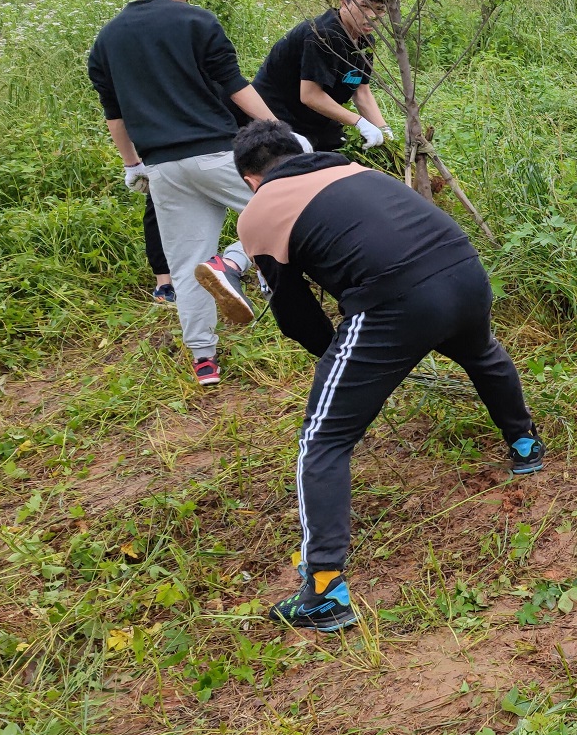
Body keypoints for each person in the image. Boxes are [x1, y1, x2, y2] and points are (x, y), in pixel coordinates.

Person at [231, 119, 545, 632]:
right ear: (301, 150)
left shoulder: (259, 211)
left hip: (394, 300)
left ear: (250, 179)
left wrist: (333, 355)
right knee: (481, 352)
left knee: (323, 439)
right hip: (463, 268)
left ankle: (324, 591)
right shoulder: (353, 168)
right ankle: (526, 446)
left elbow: (294, 313)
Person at [87, 0, 278, 386]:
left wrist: (132, 164)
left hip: (163, 169)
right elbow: (234, 85)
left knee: (185, 260)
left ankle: (204, 360)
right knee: (287, 213)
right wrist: (280, 128)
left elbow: (114, 114)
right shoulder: (196, 21)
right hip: (214, 153)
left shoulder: (106, 39)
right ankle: (232, 262)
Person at [252, 0, 394, 155]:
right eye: (364, 6)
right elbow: (311, 95)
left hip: (317, 118)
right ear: (344, 3)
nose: (371, 16)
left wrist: (383, 130)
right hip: (276, 117)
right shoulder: (322, 35)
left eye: (380, 9)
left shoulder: (365, 39)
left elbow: (361, 91)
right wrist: (358, 121)